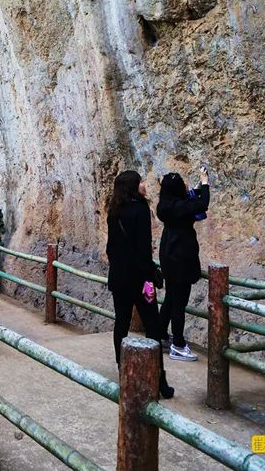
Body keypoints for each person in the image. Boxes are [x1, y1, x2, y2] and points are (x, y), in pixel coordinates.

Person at [106, 169, 174, 399]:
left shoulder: (113, 210)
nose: (144, 184)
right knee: (153, 327)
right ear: (133, 186)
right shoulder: (140, 210)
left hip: (118, 279)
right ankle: (159, 378)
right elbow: (143, 249)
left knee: (121, 322)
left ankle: (121, 365)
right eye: (141, 181)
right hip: (141, 281)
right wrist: (150, 275)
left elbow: (111, 248)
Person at [158, 167, 210, 362]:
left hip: (168, 253)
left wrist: (197, 188)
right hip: (181, 256)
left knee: (171, 296)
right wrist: (205, 182)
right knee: (179, 302)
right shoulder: (179, 207)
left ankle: (160, 334)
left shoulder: (165, 205)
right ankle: (178, 345)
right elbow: (202, 204)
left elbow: (188, 200)